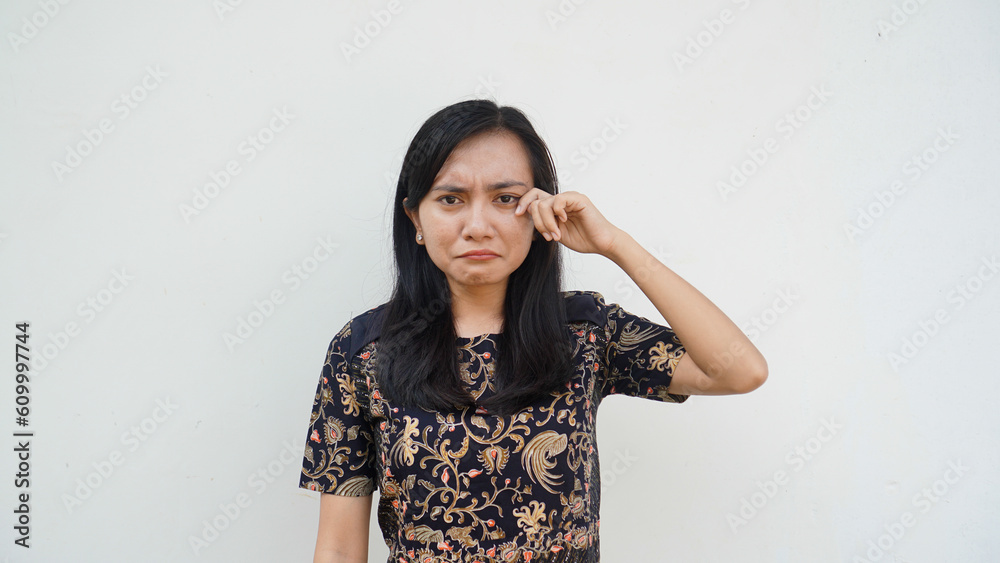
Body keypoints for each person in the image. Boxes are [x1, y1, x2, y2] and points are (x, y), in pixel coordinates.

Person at [299, 99, 767, 563]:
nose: (477, 226)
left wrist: (614, 244)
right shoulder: (363, 352)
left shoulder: (585, 333)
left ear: (541, 209)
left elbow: (738, 371)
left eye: (506, 199)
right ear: (415, 219)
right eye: (450, 200)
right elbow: (339, 548)